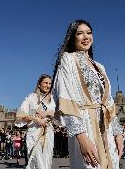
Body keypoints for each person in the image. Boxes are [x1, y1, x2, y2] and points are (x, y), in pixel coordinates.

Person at [53, 20, 124, 169]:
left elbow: (109, 102)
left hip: (106, 127)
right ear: (73, 37)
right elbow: (67, 100)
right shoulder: (68, 59)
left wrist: (117, 133)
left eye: (89, 33)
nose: (85, 37)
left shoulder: (100, 66)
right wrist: (81, 137)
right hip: (85, 125)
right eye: (80, 33)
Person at [15, 74, 55, 169]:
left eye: (50, 83)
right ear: (39, 84)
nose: (48, 85)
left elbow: (59, 114)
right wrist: (35, 119)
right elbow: (20, 115)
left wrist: (47, 113)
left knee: (46, 161)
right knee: (35, 160)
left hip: (48, 132)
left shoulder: (53, 99)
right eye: (45, 82)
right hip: (34, 133)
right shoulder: (31, 97)